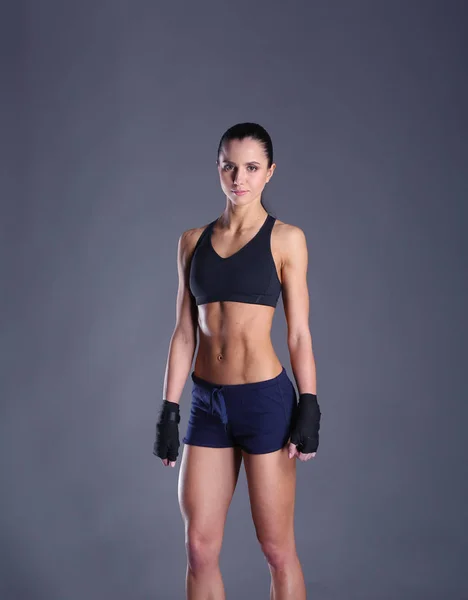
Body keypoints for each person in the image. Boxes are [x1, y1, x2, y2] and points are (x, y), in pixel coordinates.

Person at [154, 122, 321, 600]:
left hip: (264, 402)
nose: (238, 178)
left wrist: (308, 402)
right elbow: (185, 333)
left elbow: (299, 332)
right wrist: (169, 409)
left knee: (276, 549)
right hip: (208, 404)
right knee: (200, 549)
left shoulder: (286, 239)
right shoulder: (192, 241)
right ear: (218, 169)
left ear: (270, 172)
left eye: (251, 167)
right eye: (229, 166)